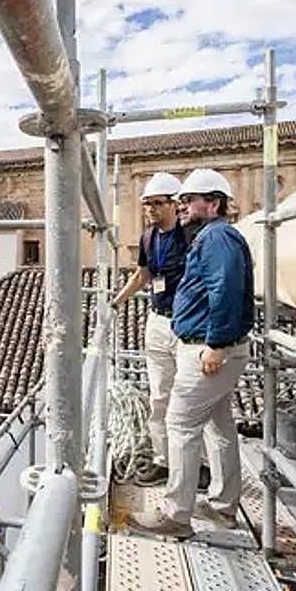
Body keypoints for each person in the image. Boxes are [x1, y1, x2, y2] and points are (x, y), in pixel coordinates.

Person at [128, 168, 255, 539]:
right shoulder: (214, 237)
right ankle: (222, 507)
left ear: (213, 204)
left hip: (207, 348)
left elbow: (226, 290)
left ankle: (176, 515)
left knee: (180, 425)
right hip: (209, 346)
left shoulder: (217, 238)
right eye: (179, 200)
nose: (181, 207)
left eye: (188, 200)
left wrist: (214, 344)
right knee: (220, 426)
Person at [110, 172, 188, 487]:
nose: (151, 210)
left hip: (186, 325)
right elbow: (143, 274)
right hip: (157, 320)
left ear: (175, 205)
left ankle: (195, 466)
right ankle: (163, 461)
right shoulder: (148, 238)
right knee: (159, 397)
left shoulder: (191, 236)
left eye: (157, 204)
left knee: (191, 399)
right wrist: (116, 302)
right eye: (147, 205)